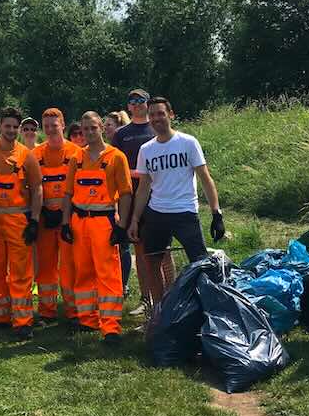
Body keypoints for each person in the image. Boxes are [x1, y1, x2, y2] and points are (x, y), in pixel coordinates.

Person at [130, 97, 225, 307]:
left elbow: (205, 178)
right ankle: (160, 310)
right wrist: (135, 219)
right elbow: (144, 187)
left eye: (160, 113)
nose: (156, 118)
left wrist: (216, 213)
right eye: (152, 114)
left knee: (200, 265)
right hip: (156, 213)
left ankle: (206, 308)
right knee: (152, 262)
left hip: (185, 213)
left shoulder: (188, 142)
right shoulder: (146, 150)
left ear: (170, 115)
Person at [60, 112, 132, 344]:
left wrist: (122, 226)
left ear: (101, 127)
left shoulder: (116, 157)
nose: (89, 133)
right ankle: (87, 319)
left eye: (93, 128)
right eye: (85, 129)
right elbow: (68, 193)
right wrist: (65, 222)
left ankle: (110, 326)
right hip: (79, 221)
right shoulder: (76, 158)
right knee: (82, 272)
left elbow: (125, 193)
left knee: (108, 274)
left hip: (104, 221)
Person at [0, 107, 43, 340]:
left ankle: (23, 321)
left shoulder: (27, 155)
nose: (12, 130)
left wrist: (34, 221)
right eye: (8, 126)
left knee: (21, 272)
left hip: (18, 219)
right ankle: (1, 317)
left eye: (16, 127)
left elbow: (37, 189)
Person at [112, 89, 175, 312]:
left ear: (148, 104)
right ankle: (146, 298)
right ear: (128, 106)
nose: (137, 104)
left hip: (159, 197)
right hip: (131, 197)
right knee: (140, 249)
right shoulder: (121, 134)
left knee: (165, 250)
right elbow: (115, 166)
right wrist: (138, 173)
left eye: (141, 100)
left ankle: (171, 295)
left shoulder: (157, 127)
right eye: (133, 101)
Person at [31, 109, 82, 323]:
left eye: (54, 124)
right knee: (45, 267)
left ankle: (73, 309)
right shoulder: (35, 155)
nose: (50, 129)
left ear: (63, 124)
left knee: (69, 265)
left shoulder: (76, 152)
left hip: (67, 218)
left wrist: (64, 214)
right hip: (44, 219)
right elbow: (31, 187)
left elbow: (79, 185)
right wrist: (42, 211)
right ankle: (46, 310)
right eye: (47, 125)